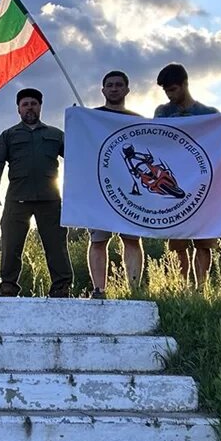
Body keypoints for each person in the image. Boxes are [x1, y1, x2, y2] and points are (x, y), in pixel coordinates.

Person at [153, 63, 221, 290]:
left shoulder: (208, 114)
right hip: (176, 186)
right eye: (166, 91)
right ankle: (183, 286)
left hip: (204, 187)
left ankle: (201, 286)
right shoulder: (162, 113)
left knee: (204, 242)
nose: (169, 95)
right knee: (178, 243)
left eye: (172, 89)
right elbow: (156, 141)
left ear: (184, 84)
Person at [0, 88, 74, 298]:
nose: (30, 108)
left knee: (56, 245)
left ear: (40, 107)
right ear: (18, 109)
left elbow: (76, 158)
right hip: (17, 198)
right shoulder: (8, 135)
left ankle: (61, 287)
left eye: (34, 103)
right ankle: (8, 286)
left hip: (50, 198)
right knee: (11, 245)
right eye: (25, 104)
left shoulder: (55, 134)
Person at [88, 70, 145, 298]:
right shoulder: (90, 117)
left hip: (130, 190)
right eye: (109, 85)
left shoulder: (138, 120)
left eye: (118, 85)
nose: (114, 88)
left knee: (132, 238)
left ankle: (134, 289)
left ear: (127, 89)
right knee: (98, 240)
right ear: (103, 90)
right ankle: (99, 289)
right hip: (99, 189)